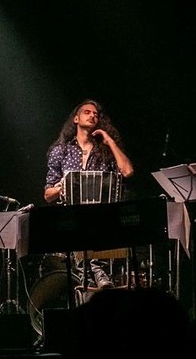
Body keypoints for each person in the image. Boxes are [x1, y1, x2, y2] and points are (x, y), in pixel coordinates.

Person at [43, 99, 134, 290]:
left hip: (101, 218)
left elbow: (127, 172)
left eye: (96, 114)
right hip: (70, 218)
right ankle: (96, 272)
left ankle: (89, 278)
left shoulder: (104, 151)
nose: (93, 115)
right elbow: (48, 195)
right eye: (87, 112)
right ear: (76, 119)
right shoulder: (61, 151)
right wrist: (62, 188)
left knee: (94, 221)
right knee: (77, 222)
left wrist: (109, 141)